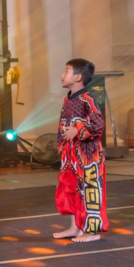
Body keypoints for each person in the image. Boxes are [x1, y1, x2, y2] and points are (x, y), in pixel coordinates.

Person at [52, 58, 108, 243]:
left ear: (77, 77)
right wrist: (61, 145)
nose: (62, 75)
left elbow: (98, 125)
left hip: (88, 154)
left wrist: (78, 130)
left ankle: (92, 232)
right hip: (71, 153)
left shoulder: (88, 99)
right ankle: (75, 227)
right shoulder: (68, 99)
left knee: (90, 189)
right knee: (72, 189)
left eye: (66, 71)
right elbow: (63, 124)